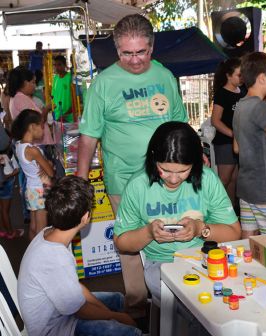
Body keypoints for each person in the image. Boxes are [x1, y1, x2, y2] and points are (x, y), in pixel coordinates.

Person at [78, 13, 188, 318]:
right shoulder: (104, 83)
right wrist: (80, 180)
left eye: (141, 52)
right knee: (129, 245)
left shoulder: (164, 76)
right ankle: (138, 310)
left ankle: (176, 303)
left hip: (166, 179)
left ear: (151, 48)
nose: (135, 60)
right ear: (117, 50)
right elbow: (88, 137)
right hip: (124, 179)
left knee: (171, 237)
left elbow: (179, 124)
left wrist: (193, 157)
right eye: (127, 53)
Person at [114, 121, 241, 301]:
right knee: (190, 300)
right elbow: (121, 242)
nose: (173, 179)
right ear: (153, 158)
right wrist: (149, 233)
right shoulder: (138, 186)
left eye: (183, 171)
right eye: (164, 170)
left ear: (196, 163)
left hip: (204, 257)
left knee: (228, 293)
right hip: (161, 263)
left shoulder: (208, 180)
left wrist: (200, 229)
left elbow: (234, 233)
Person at [17, 175, 142, 336]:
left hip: (59, 313)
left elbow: (74, 287)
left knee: (117, 300)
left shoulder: (51, 234)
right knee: (130, 332)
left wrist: (111, 315)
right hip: (53, 330)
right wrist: (114, 317)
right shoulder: (57, 258)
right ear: (85, 217)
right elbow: (80, 310)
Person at [233, 52, 266, 238]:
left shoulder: (240, 106)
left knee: (249, 243)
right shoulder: (261, 107)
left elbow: (236, 148)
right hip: (265, 190)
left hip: (246, 187)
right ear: (262, 78)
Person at [12, 109, 54, 240]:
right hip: (40, 189)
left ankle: (32, 255)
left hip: (30, 189)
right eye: (41, 125)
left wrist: (44, 163)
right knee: (42, 231)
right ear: (32, 126)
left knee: (33, 227)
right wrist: (48, 163)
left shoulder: (19, 145)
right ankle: (40, 258)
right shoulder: (33, 150)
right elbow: (51, 172)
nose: (43, 129)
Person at [211, 58, 245, 209]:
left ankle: (231, 211)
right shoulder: (222, 94)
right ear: (228, 75)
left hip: (238, 142)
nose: (242, 78)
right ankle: (213, 208)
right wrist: (233, 135)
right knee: (224, 179)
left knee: (234, 179)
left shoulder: (242, 92)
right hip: (225, 142)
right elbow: (215, 121)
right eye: (239, 75)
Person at [8, 66, 53, 145]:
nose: (35, 86)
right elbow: (37, 122)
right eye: (33, 82)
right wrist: (46, 109)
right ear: (25, 83)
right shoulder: (20, 99)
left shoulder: (20, 97)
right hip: (38, 145)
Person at [51, 55, 73, 122]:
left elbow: (75, 99)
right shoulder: (55, 78)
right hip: (57, 116)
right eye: (55, 65)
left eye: (59, 65)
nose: (56, 67)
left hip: (68, 118)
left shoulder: (70, 78)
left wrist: (65, 115)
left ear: (65, 65)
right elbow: (53, 97)